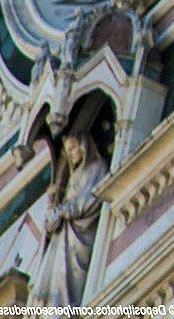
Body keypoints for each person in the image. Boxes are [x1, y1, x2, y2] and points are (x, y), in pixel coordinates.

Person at [28, 130, 108, 306]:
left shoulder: (97, 167)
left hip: (79, 236)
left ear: (83, 147)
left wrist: (64, 210)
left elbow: (89, 201)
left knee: (71, 280)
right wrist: (54, 213)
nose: (71, 154)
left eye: (73, 148)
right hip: (63, 237)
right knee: (54, 281)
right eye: (68, 151)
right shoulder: (75, 176)